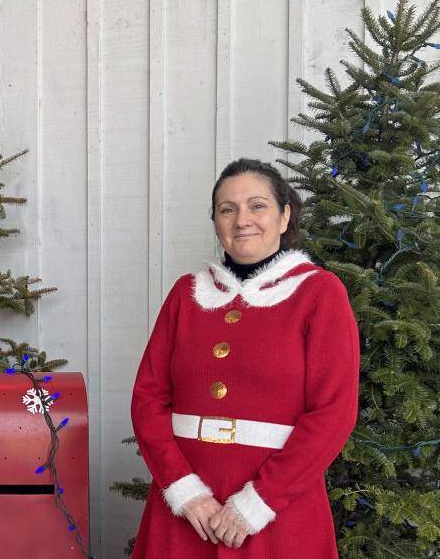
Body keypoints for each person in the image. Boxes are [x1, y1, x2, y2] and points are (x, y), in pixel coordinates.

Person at [130, 158, 359, 557]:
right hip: (187, 511)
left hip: (277, 511)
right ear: (216, 222)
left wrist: (258, 502)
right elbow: (148, 399)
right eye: (227, 209)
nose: (242, 220)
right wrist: (183, 490)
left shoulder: (320, 293)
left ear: (285, 216)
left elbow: (333, 413)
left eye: (258, 205)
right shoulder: (186, 294)